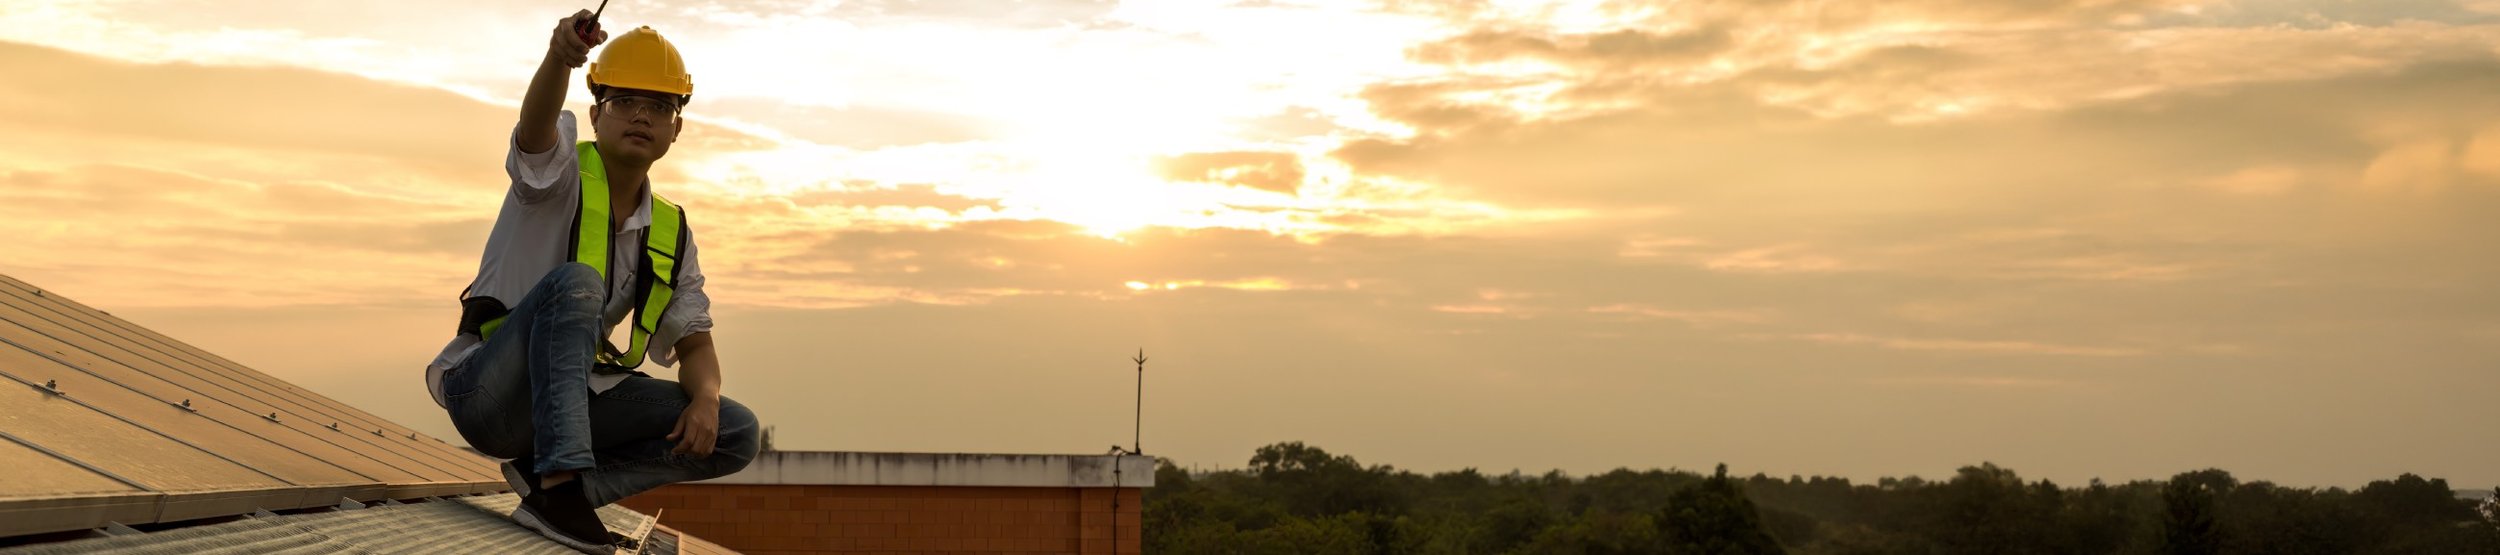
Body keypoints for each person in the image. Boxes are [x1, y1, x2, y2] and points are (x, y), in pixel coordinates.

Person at [424, 9, 758, 552]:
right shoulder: (556, 175)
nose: (641, 116)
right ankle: (558, 488)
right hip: (488, 392)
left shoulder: (670, 231)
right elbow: (533, 134)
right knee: (576, 282)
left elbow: (695, 341)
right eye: (624, 101)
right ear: (597, 113)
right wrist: (561, 56)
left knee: (736, 429)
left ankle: (564, 490)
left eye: (659, 106)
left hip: (566, 405)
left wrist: (708, 397)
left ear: (677, 127)